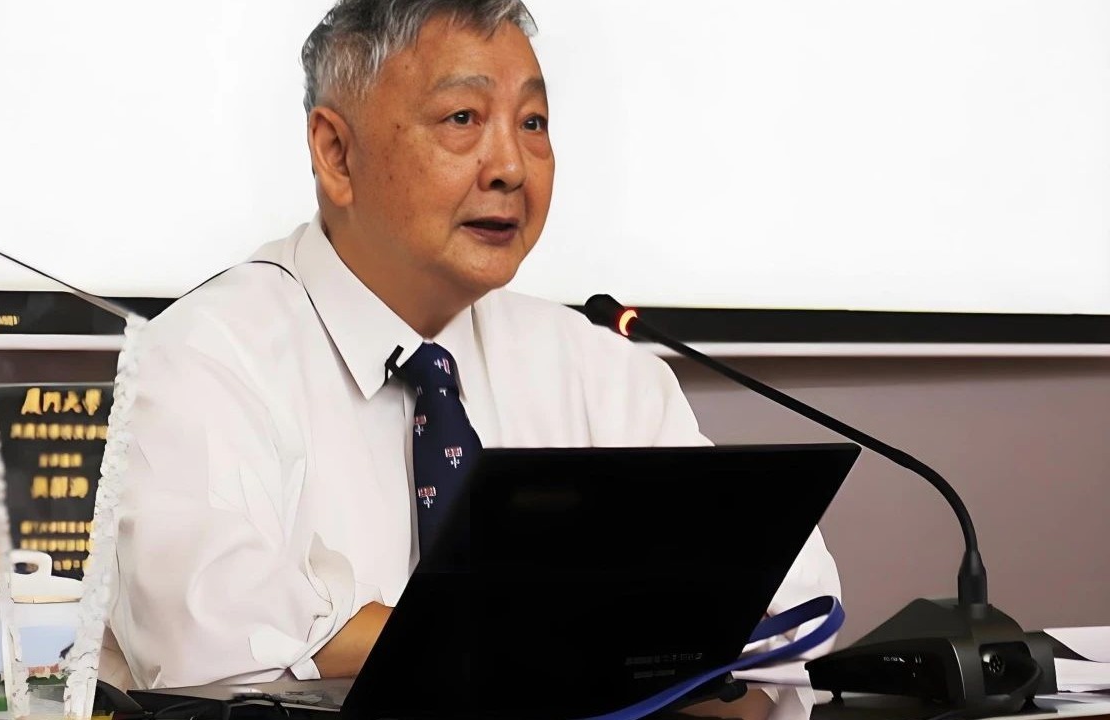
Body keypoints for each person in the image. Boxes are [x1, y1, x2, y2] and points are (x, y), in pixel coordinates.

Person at [105, 1, 840, 718]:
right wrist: (592, 640)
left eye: (533, 123)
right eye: (463, 118)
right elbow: (212, 641)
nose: (512, 167)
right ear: (336, 153)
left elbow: (785, 622)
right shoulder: (203, 356)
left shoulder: (602, 373)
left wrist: (438, 638)